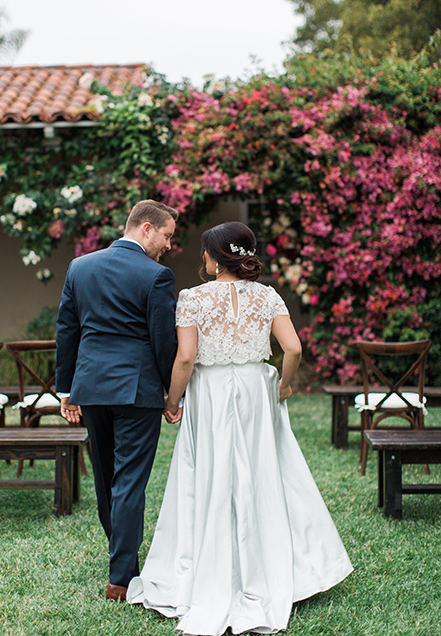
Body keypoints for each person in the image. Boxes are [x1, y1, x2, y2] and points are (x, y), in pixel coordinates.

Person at [127, 221, 353, 635]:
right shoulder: (268, 296)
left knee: (212, 474)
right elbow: (294, 348)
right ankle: (273, 565)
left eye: (204, 252)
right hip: (255, 389)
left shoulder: (192, 298)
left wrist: (172, 400)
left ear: (213, 257)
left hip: (210, 393)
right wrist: (284, 383)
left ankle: (207, 569)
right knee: (262, 473)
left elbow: (185, 358)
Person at [56, 199, 178, 603]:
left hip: (90, 387)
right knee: (129, 482)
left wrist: (66, 389)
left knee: (108, 480)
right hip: (137, 390)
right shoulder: (157, 275)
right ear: (146, 228)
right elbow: (163, 341)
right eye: (166, 235)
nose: (168, 245)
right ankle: (121, 577)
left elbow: (67, 330)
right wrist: (169, 393)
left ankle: (121, 562)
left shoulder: (80, 267)